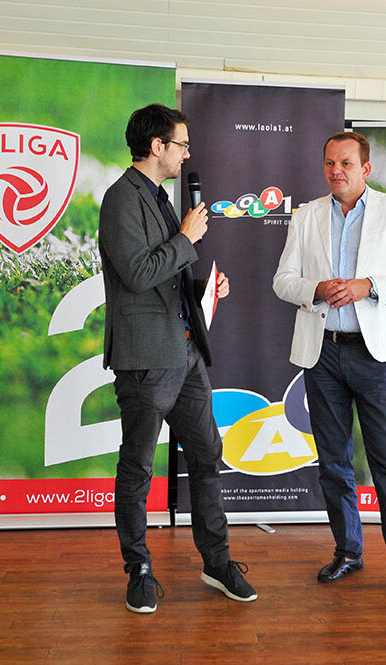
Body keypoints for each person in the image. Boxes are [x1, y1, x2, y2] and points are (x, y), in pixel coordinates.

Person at [272, 131, 386, 602]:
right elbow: (282, 281)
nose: (336, 171)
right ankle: (348, 551)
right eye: (330, 163)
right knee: (333, 462)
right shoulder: (306, 216)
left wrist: (367, 286)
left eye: (346, 163)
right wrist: (316, 289)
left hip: (376, 355)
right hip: (323, 352)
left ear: (366, 168)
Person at [99, 103, 257, 614]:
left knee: (207, 455)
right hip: (146, 359)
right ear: (157, 146)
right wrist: (187, 239)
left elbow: (166, 276)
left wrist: (205, 287)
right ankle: (139, 570)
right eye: (182, 145)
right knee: (138, 468)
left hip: (185, 352)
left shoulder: (159, 198)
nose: (187, 154)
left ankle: (217, 561)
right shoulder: (121, 199)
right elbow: (137, 273)